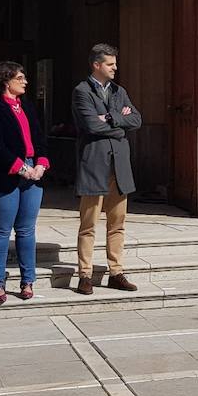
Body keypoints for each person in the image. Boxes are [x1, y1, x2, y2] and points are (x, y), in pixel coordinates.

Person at [70, 44, 139, 296]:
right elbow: (90, 125)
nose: (115, 68)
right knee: (88, 224)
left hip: (118, 167)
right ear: (97, 65)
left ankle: (116, 272)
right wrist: (119, 121)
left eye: (115, 63)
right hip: (94, 164)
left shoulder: (120, 91)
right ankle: (85, 275)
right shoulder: (82, 91)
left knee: (117, 224)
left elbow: (137, 120)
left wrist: (109, 118)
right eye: (110, 64)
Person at [0, 61, 49, 304]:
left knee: (27, 230)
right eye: (20, 78)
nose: (25, 81)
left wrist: (40, 163)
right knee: (0, 230)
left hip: (33, 173)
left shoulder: (28, 107)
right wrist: (22, 168)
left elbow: (40, 138)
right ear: (6, 81)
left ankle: (27, 280)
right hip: (5, 175)